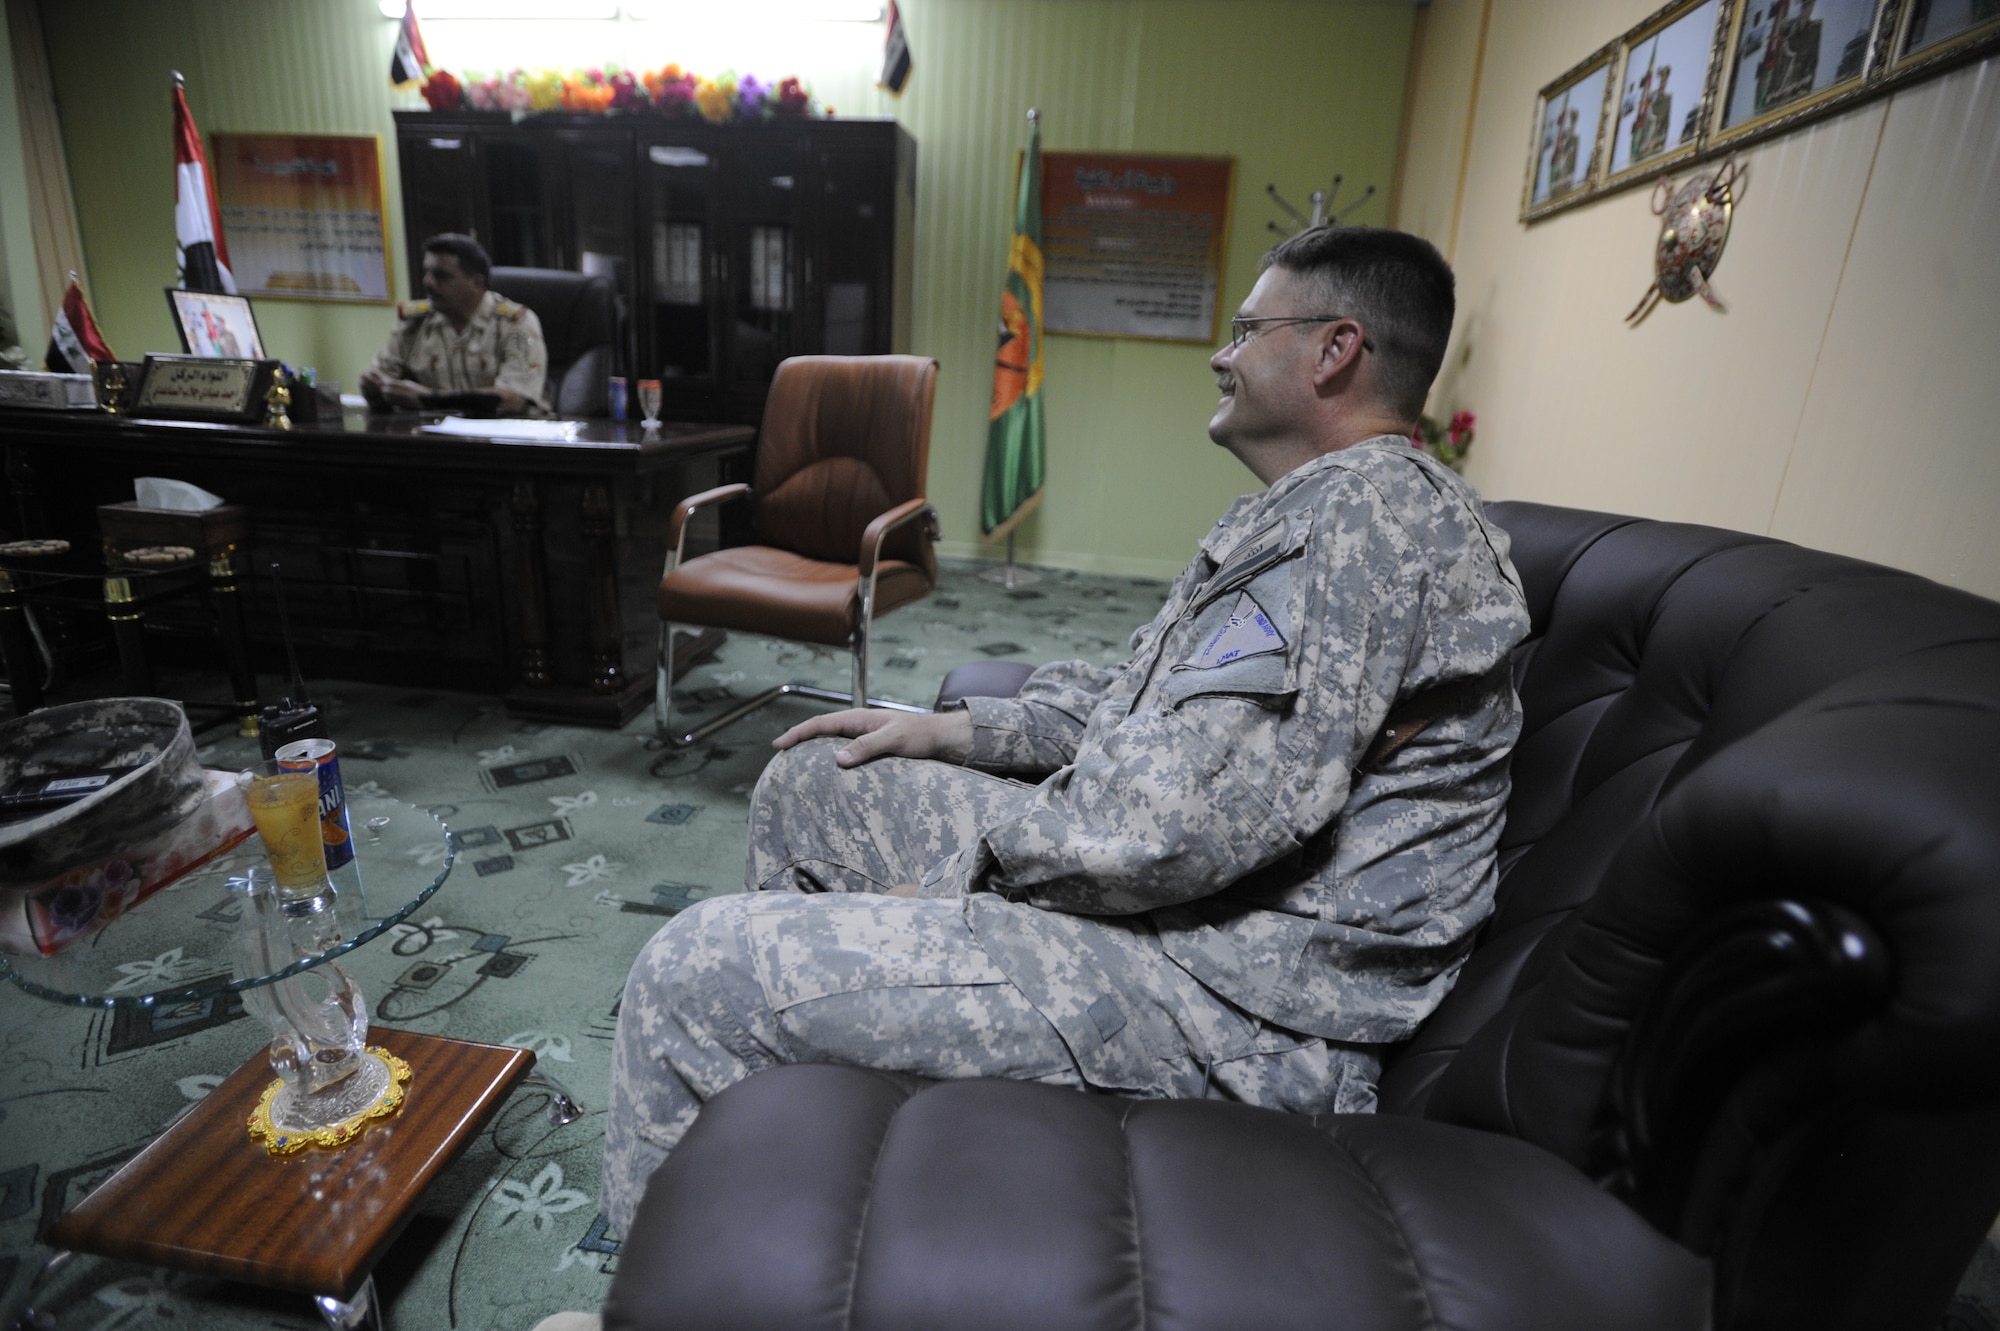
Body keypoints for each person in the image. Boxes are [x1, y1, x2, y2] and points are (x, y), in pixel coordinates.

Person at [600, 224, 1531, 1235]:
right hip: (1192, 921)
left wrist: (974, 868)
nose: (1221, 354)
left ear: (1332, 351)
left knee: (691, 972)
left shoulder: (1368, 524)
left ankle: (675, 1284)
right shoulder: (1312, 508)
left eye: (1246, 328)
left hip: (1248, 1006)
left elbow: (1174, 827)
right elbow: (1134, 696)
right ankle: (808, 1171)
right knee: (817, 773)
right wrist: (955, 730)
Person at [360, 233, 550, 415]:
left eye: (441, 276)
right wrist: (374, 387)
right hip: (435, 436)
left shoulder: (515, 323)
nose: (428, 283)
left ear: (476, 283)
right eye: (427, 272)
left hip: (507, 437)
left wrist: (429, 398)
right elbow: (383, 376)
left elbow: (513, 400)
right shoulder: (414, 322)